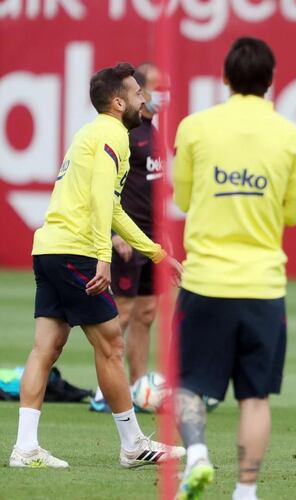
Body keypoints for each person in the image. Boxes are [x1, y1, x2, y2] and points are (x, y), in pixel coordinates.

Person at [9, 63, 185, 469]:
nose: (146, 99)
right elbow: (103, 202)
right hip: (76, 251)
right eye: (139, 93)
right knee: (111, 343)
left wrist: (156, 253)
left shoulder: (90, 133)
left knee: (46, 347)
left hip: (49, 246)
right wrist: (103, 257)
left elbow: (115, 208)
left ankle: (25, 447)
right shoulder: (112, 135)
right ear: (119, 101)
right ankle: (133, 444)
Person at [172, 37, 296, 500]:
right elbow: (293, 214)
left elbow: (182, 198)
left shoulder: (195, 127)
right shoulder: (291, 136)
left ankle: (196, 457)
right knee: (254, 397)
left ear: (225, 78)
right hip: (263, 286)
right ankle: (245, 491)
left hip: (205, 281)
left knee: (189, 386)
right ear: (271, 82)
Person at [90, 63, 168, 413]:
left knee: (148, 312)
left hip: (151, 234)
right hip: (126, 234)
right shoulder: (124, 133)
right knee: (119, 312)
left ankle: (137, 385)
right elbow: (104, 186)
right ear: (137, 91)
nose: (161, 94)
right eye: (154, 87)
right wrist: (111, 233)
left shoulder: (153, 130)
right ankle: (102, 388)